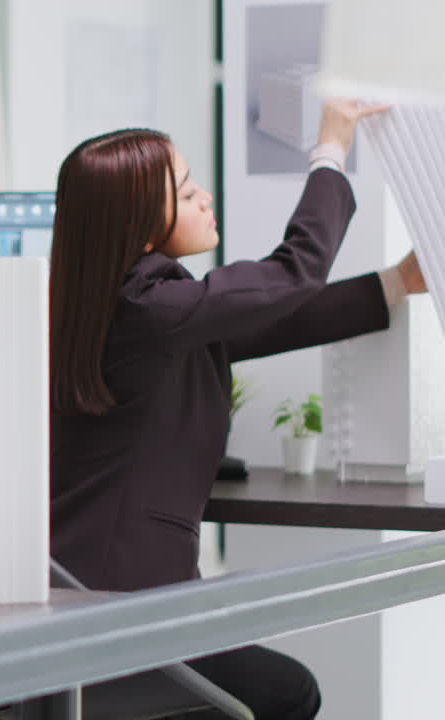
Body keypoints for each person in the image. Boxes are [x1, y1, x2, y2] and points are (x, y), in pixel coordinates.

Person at [48, 98, 425, 720]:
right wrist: (330, 150)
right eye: (187, 188)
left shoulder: (120, 306)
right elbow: (292, 275)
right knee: (286, 692)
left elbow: (273, 320)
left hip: (84, 596)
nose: (204, 198)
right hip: (126, 612)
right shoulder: (153, 307)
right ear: (138, 224)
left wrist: (394, 282)